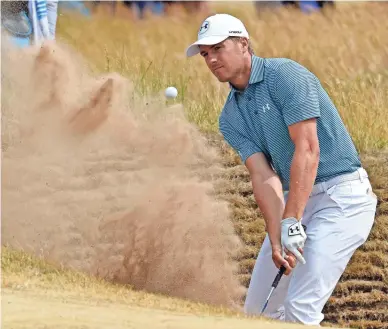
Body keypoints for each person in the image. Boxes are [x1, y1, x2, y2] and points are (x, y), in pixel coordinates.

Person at [185, 14, 377, 325]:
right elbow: (263, 176)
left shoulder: (285, 75)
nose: (211, 59)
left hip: (343, 200)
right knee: (259, 314)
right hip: (297, 198)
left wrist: (291, 219)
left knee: (301, 309)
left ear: (243, 43)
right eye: (206, 54)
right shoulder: (230, 117)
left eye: (218, 48)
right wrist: (277, 237)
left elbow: (308, 150)